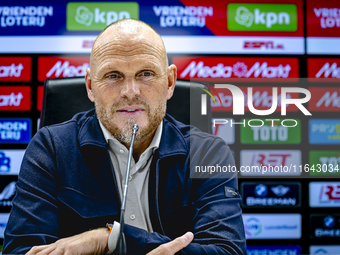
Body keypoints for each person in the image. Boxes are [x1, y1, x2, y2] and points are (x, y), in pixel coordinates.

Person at [3, 19, 246, 254]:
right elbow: (22, 251)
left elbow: (228, 250)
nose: (130, 92)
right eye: (113, 76)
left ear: (170, 82)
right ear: (90, 86)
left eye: (146, 74)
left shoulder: (208, 153)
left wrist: (111, 238)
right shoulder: (51, 148)